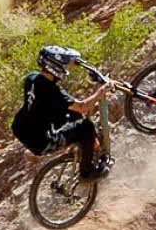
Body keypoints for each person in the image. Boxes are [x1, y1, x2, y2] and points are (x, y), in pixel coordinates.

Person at [12, 43, 111, 180]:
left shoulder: (32, 78)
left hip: (25, 130)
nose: (66, 68)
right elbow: (82, 106)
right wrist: (101, 91)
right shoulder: (52, 91)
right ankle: (86, 172)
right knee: (86, 127)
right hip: (42, 141)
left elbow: (56, 105)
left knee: (74, 116)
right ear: (55, 67)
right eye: (63, 65)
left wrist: (78, 62)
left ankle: (82, 147)